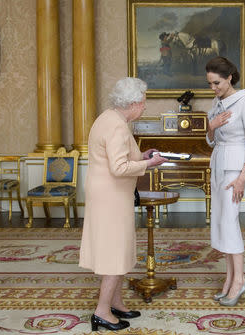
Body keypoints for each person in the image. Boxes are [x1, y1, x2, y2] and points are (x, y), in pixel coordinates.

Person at [79, 77, 167, 331]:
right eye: (143, 102)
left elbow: (119, 156)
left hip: (107, 193)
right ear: (133, 103)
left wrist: (142, 155)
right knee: (115, 254)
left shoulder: (108, 118)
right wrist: (149, 164)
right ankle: (102, 311)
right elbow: (119, 167)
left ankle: (115, 302)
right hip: (112, 196)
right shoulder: (117, 126)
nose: (144, 107)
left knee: (116, 249)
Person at [205, 56, 245, 306]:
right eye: (210, 84)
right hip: (218, 165)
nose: (213, 88)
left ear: (229, 77)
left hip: (234, 169)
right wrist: (211, 127)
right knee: (220, 223)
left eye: (217, 83)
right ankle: (229, 279)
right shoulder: (216, 104)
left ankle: (239, 281)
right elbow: (211, 142)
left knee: (230, 222)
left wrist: (242, 178)